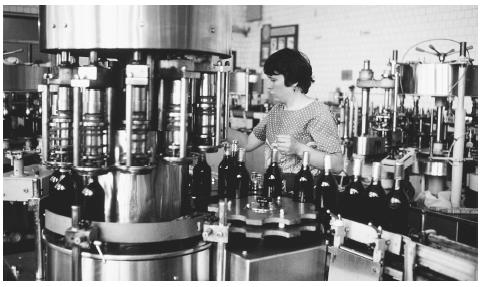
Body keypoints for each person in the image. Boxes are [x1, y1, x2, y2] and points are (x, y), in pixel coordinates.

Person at [228, 48, 343, 192]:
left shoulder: (318, 112)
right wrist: (218, 128)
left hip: (304, 196)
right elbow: (248, 143)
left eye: (273, 80)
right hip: (275, 191)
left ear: (294, 80)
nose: (269, 85)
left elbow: (337, 164)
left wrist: (298, 148)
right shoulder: (276, 110)